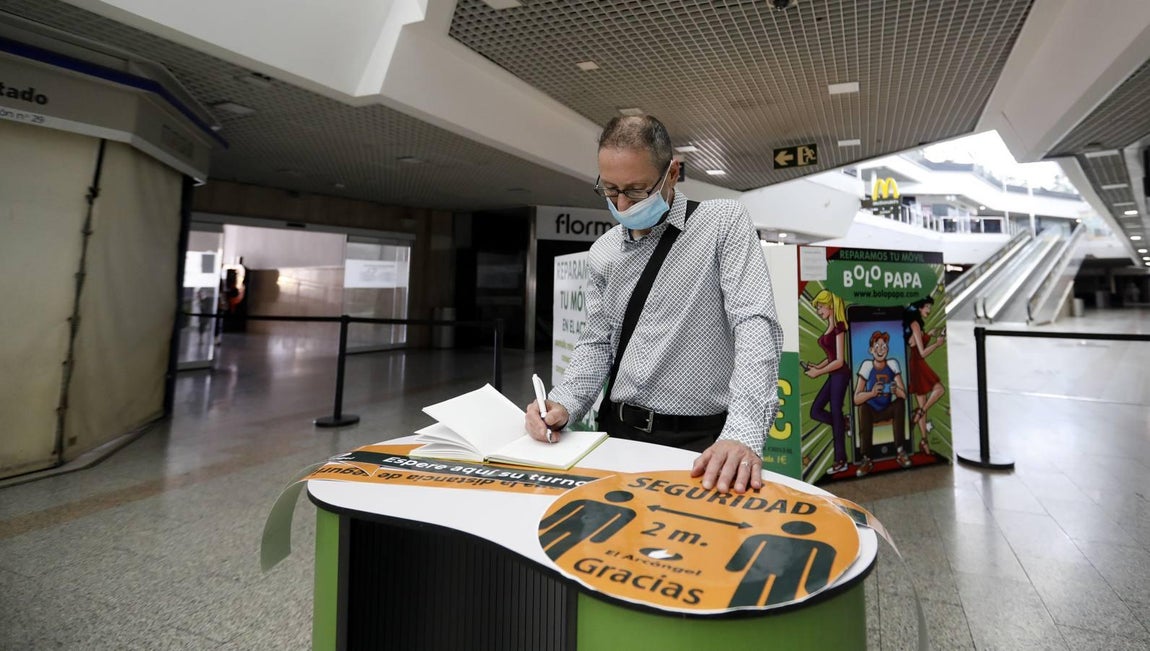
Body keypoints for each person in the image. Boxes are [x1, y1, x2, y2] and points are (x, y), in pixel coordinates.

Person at [525, 115, 783, 495]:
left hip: (705, 442)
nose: (623, 203)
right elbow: (597, 342)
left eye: (637, 190)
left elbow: (754, 325)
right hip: (619, 435)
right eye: (610, 190)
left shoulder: (722, 223)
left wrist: (742, 432)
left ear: (673, 173)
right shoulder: (604, 252)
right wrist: (564, 403)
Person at [852, 331, 911, 477]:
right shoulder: (867, 366)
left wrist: (896, 390)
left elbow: (904, 395)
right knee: (863, 407)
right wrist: (872, 393)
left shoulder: (893, 364)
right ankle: (867, 458)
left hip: (887, 409)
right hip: (871, 411)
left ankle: (900, 451)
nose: (880, 349)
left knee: (899, 403)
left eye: (884, 346)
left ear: (888, 349)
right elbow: (856, 398)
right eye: (877, 346)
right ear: (871, 350)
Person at [804, 290, 850, 474]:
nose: (818, 310)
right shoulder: (830, 327)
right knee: (816, 410)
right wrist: (817, 366)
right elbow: (831, 358)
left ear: (831, 307)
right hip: (834, 374)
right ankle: (844, 423)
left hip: (841, 374)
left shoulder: (839, 327)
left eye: (821, 307)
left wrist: (819, 372)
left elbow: (839, 360)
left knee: (835, 411)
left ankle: (841, 460)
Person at [903, 296, 945, 454]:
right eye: (927, 307)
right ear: (919, 308)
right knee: (939, 389)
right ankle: (919, 413)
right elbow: (922, 352)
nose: (929, 310)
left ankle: (924, 442)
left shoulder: (914, 324)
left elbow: (914, 343)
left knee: (923, 404)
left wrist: (929, 334)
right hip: (917, 365)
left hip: (914, 364)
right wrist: (937, 344)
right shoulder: (914, 324)